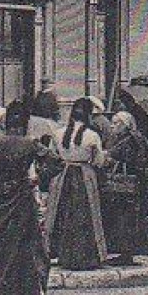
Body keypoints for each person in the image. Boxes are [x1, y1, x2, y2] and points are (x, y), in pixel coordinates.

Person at [0, 99, 59, 295]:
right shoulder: (30, 143)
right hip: (20, 196)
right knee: (20, 246)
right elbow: (56, 162)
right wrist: (37, 179)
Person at [49, 97, 107, 270]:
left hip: (63, 175)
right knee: (86, 216)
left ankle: (60, 253)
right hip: (84, 176)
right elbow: (99, 161)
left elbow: (53, 155)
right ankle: (84, 256)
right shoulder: (92, 136)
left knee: (61, 213)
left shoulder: (58, 133)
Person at [102, 111, 148, 266]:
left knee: (127, 219)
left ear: (125, 125)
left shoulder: (131, 140)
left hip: (131, 186)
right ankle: (127, 252)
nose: (112, 126)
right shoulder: (133, 137)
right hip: (136, 185)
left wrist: (110, 156)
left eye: (116, 123)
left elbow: (127, 158)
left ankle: (126, 254)